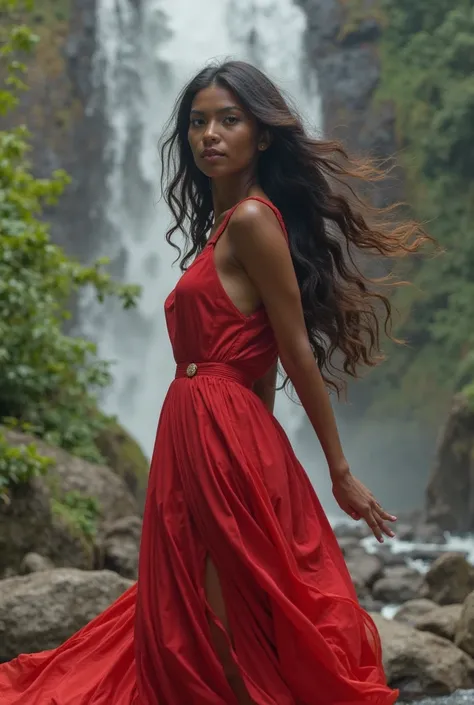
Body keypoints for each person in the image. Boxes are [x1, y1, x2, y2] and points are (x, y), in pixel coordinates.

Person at [0, 59, 428, 704]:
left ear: (261, 135)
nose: (211, 134)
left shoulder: (255, 221)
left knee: (219, 609)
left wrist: (337, 470)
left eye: (230, 120)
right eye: (198, 122)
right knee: (196, 603)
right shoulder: (221, 230)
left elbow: (294, 353)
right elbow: (254, 356)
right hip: (201, 428)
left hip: (218, 430)